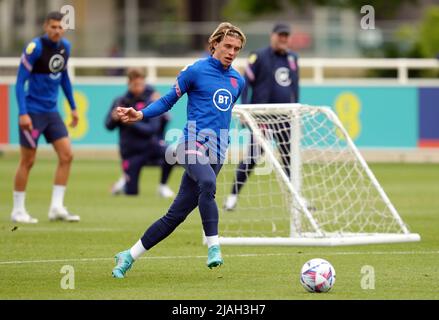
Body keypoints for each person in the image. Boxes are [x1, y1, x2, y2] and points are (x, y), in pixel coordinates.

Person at [111, 22, 246, 278]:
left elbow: (222, 116)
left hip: (216, 153)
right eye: (227, 45)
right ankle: (214, 247)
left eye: (236, 49)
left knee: (175, 216)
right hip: (188, 145)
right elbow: (166, 101)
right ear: (215, 43)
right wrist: (140, 114)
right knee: (208, 183)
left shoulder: (237, 81)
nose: (231, 52)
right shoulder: (194, 71)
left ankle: (128, 255)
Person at [11, 11, 80, 224]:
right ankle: (18, 209)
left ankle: (56, 207)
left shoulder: (65, 47)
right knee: (28, 160)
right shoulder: (35, 48)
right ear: (45, 27)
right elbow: (20, 82)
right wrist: (23, 113)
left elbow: (64, 79)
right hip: (32, 111)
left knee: (67, 155)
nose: (56, 30)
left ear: (64, 29)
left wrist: (73, 107)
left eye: (60, 27)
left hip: (52, 112)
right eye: (53, 27)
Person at [224, 22, 300, 211]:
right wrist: (245, 109)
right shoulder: (258, 56)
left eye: (286, 35)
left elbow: (294, 86)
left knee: (290, 157)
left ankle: (298, 199)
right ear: (272, 35)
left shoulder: (293, 58)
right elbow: (245, 83)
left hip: (284, 117)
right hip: (262, 117)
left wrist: (295, 111)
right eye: (280, 35)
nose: (283, 39)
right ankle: (232, 196)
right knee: (253, 157)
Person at [105, 68, 175, 198]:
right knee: (131, 194)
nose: (139, 88)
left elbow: (151, 130)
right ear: (129, 83)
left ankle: (162, 186)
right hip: (131, 153)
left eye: (141, 84)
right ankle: (124, 182)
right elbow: (108, 126)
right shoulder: (120, 102)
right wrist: (114, 119)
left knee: (172, 153)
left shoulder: (149, 102)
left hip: (150, 147)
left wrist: (131, 122)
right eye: (135, 84)